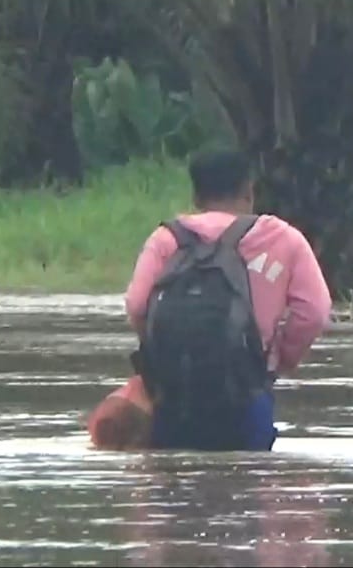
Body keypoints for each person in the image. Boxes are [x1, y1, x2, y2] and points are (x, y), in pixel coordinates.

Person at [87, 149, 332, 451]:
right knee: (248, 486)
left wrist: (164, 357)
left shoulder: (166, 238)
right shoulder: (283, 238)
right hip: (245, 397)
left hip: (172, 400)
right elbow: (314, 313)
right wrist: (277, 363)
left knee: (170, 485)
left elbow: (137, 306)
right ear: (248, 191)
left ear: (196, 196)